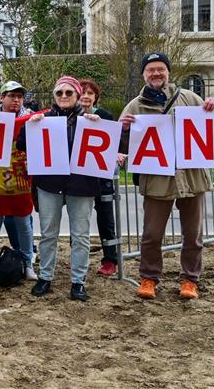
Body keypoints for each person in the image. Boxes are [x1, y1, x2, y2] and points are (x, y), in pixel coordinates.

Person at [119, 52, 214, 300]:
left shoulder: (189, 98)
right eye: (150, 70)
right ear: (143, 74)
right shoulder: (134, 106)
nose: (156, 74)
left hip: (191, 179)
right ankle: (149, 278)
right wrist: (124, 129)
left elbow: (208, 129)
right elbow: (120, 145)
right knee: (152, 234)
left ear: (168, 72)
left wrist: (212, 108)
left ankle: (189, 280)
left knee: (193, 234)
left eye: (160, 69)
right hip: (157, 181)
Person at [19, 76, 102, 302]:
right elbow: (21, 143)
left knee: (81, 235)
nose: (64, 97)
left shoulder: (92, 120)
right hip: (50, 184)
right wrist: (30, 126)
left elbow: (112, 143)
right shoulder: (43, 119)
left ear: (77, 95)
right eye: (59, 93)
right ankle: (45, 277)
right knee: (48, 233)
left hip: (81, 185)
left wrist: (99, 124)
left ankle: (78, 281)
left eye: (69, 93)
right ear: (54, 96)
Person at [0, 81, 37, 281]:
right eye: (11, 96)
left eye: (19, 96)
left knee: (24, 223)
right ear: (1, 98)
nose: (15, 100)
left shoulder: (29, 117)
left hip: (20, 180)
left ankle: (28, 262)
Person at [78, 78, 119, 278]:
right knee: (79, 220)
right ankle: (79, 259)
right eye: (82, 92)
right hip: (78, 177)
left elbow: (113, 140)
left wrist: (117, 153)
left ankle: (111, 260)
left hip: (101, 176)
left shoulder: (104, 116)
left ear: (95, 97)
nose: (85, 96)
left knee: (105, 220)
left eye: (90, 93)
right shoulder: (70, 116)